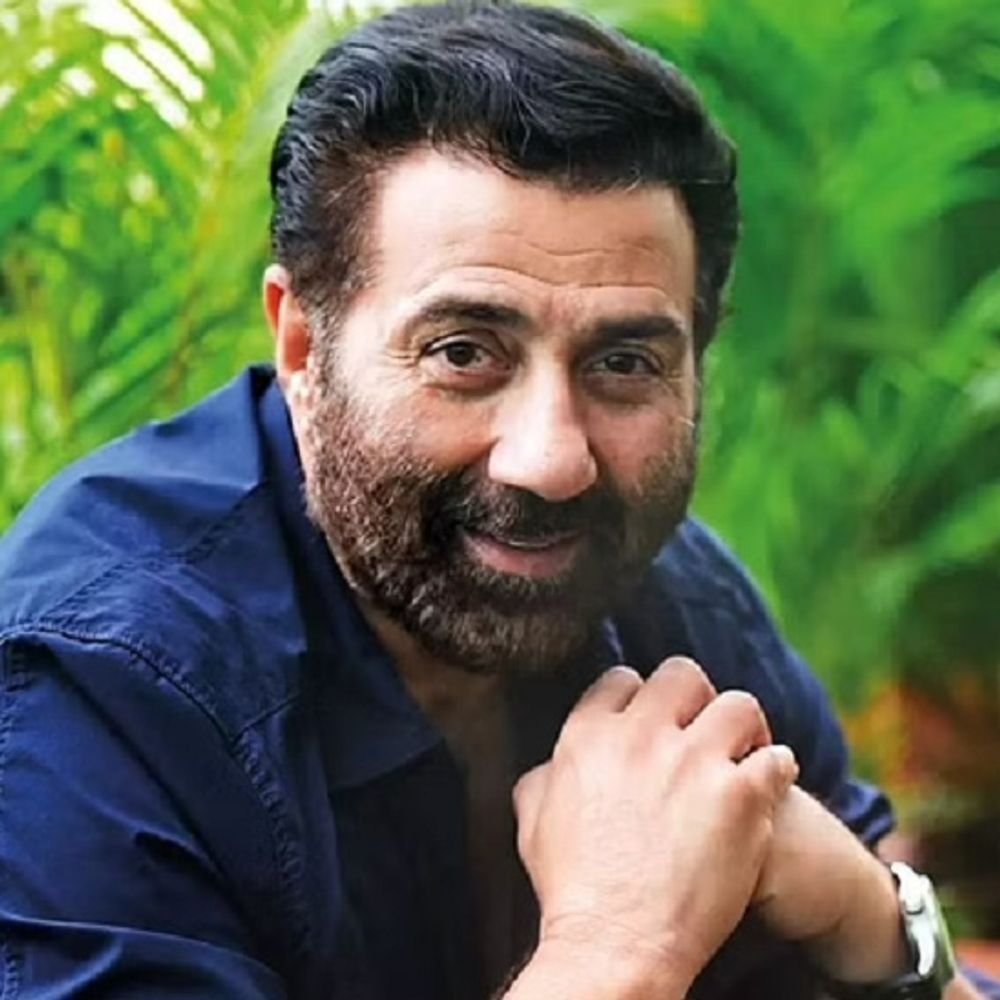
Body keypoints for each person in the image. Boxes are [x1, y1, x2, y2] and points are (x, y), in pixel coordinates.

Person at [0, 2, 995, 998]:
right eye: (464, 352)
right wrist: (617, 946)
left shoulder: (679, 602)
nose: (551, 462)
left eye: (623, 363)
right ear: (303, 347)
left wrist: (869, 916)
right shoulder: (99, 689)